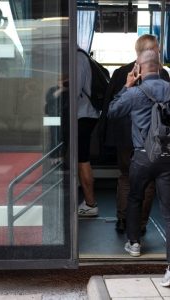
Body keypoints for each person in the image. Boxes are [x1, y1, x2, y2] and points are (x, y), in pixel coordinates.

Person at [108, 49, 170, 287]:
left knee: (134, 197)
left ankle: (134, 243)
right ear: (160, 66)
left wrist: (127, 87)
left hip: (142, 156)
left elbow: (112, 112)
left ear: (138, 69)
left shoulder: (135, 92)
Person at [102, 34, 170, 234]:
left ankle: (123, 220)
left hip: (124, 138)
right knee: (148, 182)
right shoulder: (162, 74)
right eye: (157, 48)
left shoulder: (121, 72)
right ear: (154, 51)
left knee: (125, 177)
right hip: (151, 138)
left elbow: (110, 106)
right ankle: (140, 224)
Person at [76, 48, 100, 216]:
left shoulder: (77, 57)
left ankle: (91, 203)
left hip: (83, 115)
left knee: (82, 159)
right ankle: (89, 202)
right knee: (81, 158)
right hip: (86, 114)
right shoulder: (81, 56)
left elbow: (75, 91)